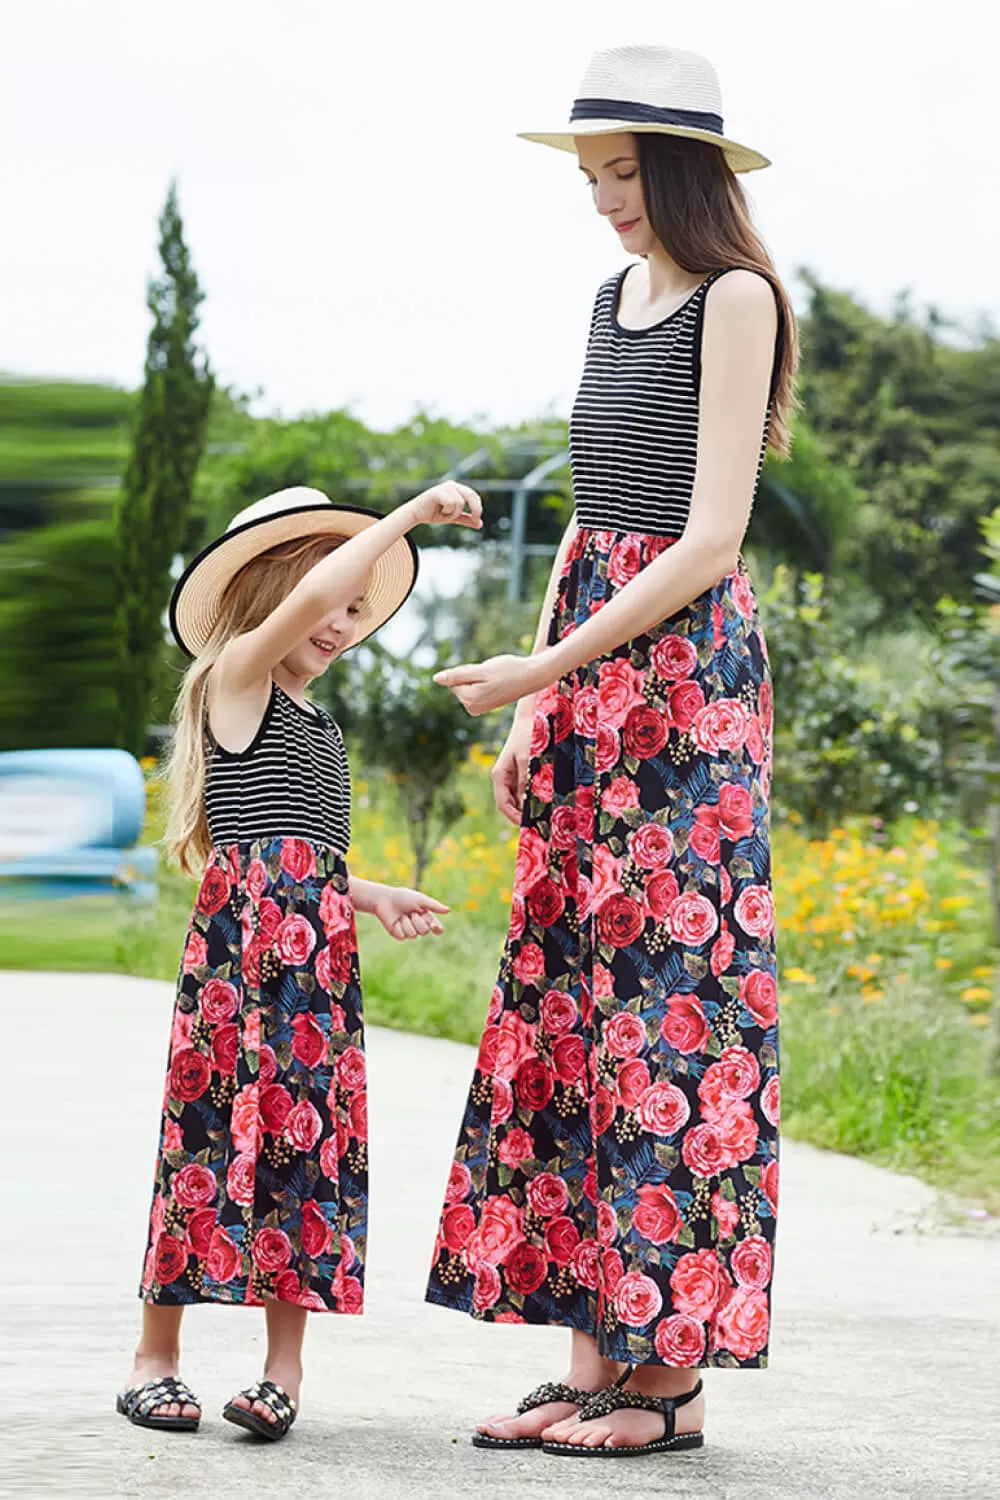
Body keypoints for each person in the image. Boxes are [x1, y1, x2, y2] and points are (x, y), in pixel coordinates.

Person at [426, 43, 797, 1459]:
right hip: (586, 670)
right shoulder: (611, 298)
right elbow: (593, 517)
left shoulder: (740, 298)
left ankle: (670, 1385)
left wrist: (544, 664)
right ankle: (594, 1365)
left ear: (688, 169)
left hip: (683, 687)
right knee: (578, 1006)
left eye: (626, 174)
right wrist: (535, 696)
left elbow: (709, 539)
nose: (605, 202)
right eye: (590, 178)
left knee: (670, 1006)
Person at [117, 482, 481, 1441]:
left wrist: (372, 894)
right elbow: (308, 602)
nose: (343, 622)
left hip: (313, 970)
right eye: (334, 600)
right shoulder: (234, 680)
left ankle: (284, 1372)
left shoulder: (318, 725)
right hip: (239, 964)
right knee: (204, 1140)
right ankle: (155, 1358)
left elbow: (303, 854)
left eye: (358, 614)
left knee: (304, 1148)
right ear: (279, 590)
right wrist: (402, 520)